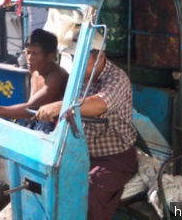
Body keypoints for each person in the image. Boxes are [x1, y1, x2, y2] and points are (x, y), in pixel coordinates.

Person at [36, 49, 136, 220]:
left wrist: (61, 106)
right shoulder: (79, 78)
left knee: (87, 196)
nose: (77, 63)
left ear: (101, 56)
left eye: (83, 58)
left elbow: (100, 104)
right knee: (46, 183)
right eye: (75, 57)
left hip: (114, 160)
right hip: (81, 154)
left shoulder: (117, 78)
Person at [0, 28, 68, 133]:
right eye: (27, 52)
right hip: (36, 121)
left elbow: (29, 109)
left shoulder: (57, 77)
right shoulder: (35, 72)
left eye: (35, 53)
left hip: (52, 128)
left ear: (50, 56)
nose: (29, 58)